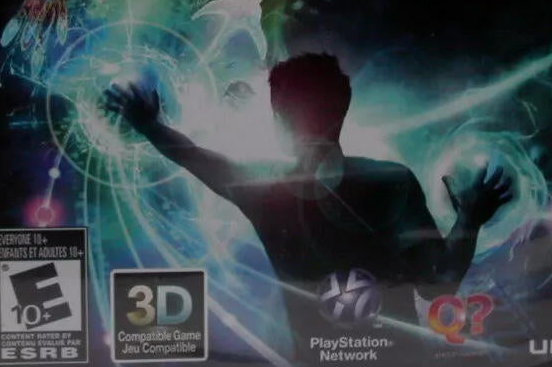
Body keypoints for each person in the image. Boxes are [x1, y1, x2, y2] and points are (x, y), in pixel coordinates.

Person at [104, 53, 512, 342]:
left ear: (278, 116)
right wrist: (469, 220)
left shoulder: (263, 186)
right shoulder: (392, 182)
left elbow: (191, 155)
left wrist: (149, 125)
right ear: (342, 111)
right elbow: (439, 285)